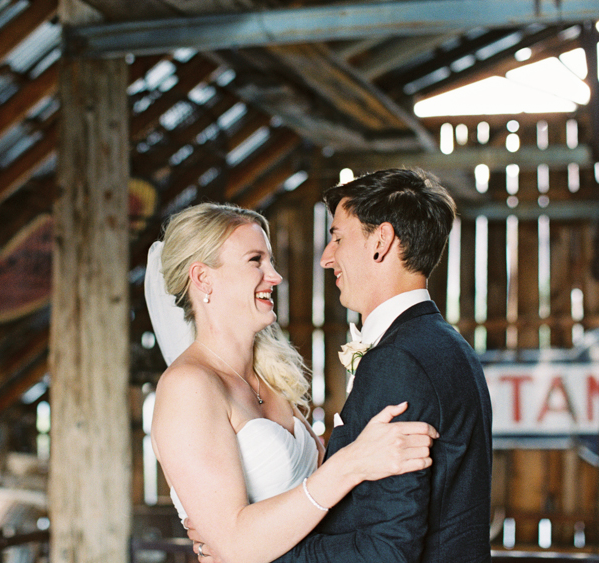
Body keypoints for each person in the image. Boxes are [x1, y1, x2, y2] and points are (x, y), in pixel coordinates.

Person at [192, 168, 493, 562]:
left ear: (380, 242)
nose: (325, 257)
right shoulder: (447, 345)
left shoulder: (399, 360)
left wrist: (253, 556)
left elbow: (383, 551)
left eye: (337, 237)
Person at [144, 202, 439, 563]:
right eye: (256, 261)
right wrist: (350, 463)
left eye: (269, 261)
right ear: (204, 278)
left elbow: (309, 502)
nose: (275, 276)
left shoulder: (269, 375)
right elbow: (235, 545)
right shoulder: (188, 387)